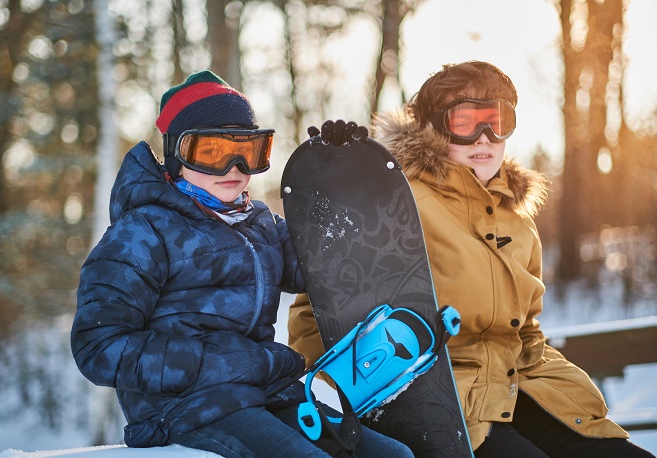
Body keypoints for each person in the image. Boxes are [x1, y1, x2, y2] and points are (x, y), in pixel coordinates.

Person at [288, 61, 655, 457]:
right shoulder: (396, 205)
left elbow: (526, 331)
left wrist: (571, 397)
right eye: (465, 122)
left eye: (497, 120)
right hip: (442, 405)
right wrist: (343, 185)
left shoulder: (516, 218)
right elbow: (321, 312)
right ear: (431, 128)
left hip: (518, 387)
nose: (485, 138)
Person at [70, 70, 413, 458]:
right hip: (185, 407)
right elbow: (97, 344)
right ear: (176, 155)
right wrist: (214, 364)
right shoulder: (142, 232)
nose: (234, 168)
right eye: (212, 152)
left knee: (393, 455)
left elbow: (326, 266)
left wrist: (340, 175)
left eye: (249, 151)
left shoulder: (260, 223)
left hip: (265, 392)